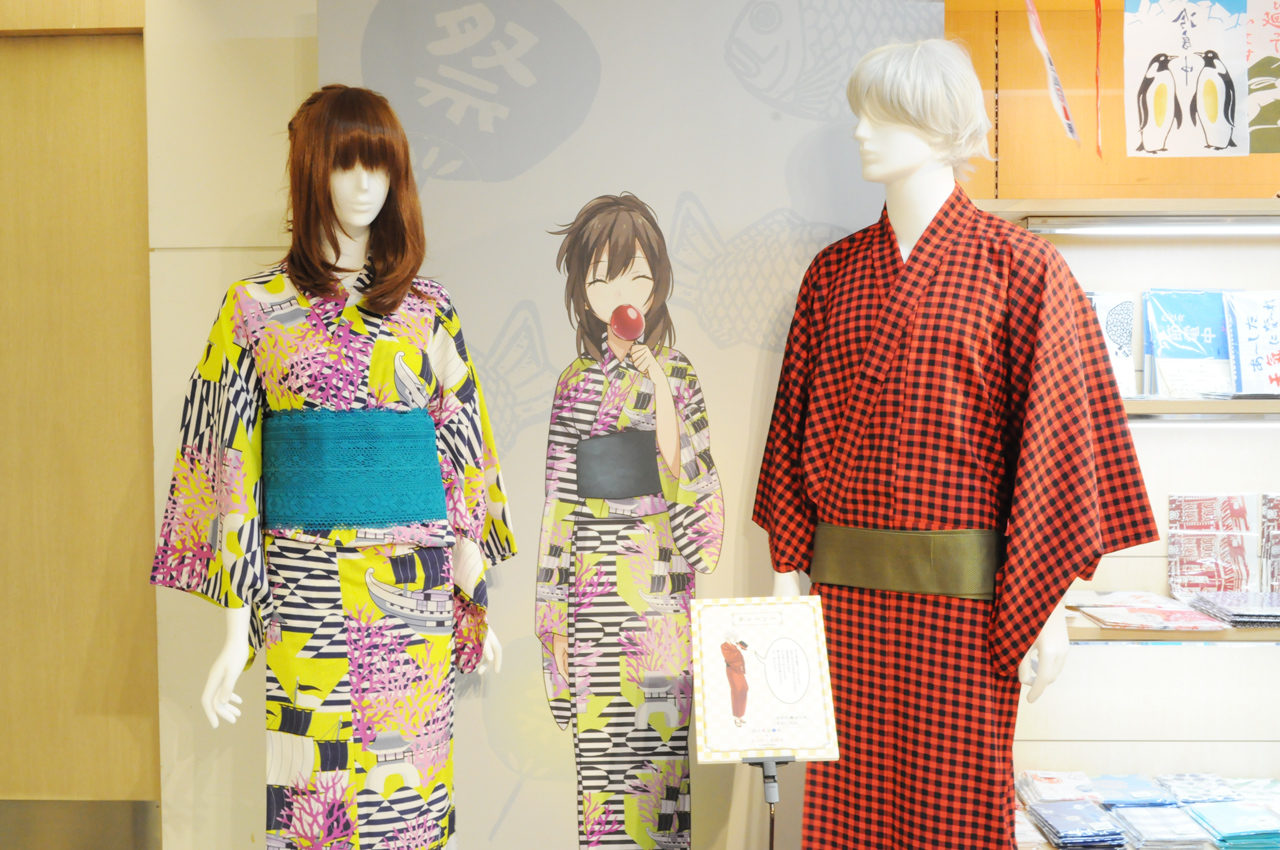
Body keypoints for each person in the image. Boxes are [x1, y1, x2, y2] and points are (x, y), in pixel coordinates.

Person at [753, 41, 1158, 849]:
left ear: (941, 127)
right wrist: (784, 578)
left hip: (966, 612)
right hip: (843, 610)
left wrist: (1046, 607)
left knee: (955, 816)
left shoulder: (1025, 268)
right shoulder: (832, 274)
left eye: (883, 115)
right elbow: (794, 431)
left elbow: (1055, 448)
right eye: (860, 112)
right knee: (845, 813)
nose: (861, 131)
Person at [149, 85, 516, 850]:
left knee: (408, 794)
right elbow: (230, 463)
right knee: (314, 798)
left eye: (378, 166)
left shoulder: (429, 307)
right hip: (303, 579)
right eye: (345, 164)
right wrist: (235, 627)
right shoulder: (253, 307)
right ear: (309, 171)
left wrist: (473, 588)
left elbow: (462, 449)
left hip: (414, 584)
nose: (362, 185)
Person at [535, 193, 724, 848]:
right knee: (602, 776)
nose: (622, 292)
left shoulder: (678, 371)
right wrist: (551, 618)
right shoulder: (573, 383)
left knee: (661, 769)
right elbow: (558, 504)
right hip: (593, 587)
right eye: (605, 278)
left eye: (637, 275)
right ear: (585, 290)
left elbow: (686, 473)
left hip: (657, 585)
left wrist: (660, 385)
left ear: (655, 283)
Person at [720, 635, 749, 726]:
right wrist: (737, 650)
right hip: (732, 669)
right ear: (728, 638)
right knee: (737, 690)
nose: (734, 639)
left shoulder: (735, 646)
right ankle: (737, 717)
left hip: (738, 669)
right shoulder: (724, 646)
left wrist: (739, 644)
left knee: (744, 688)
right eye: (732, 637)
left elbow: (744, 653)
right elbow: (730, 658)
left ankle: (740, 715)